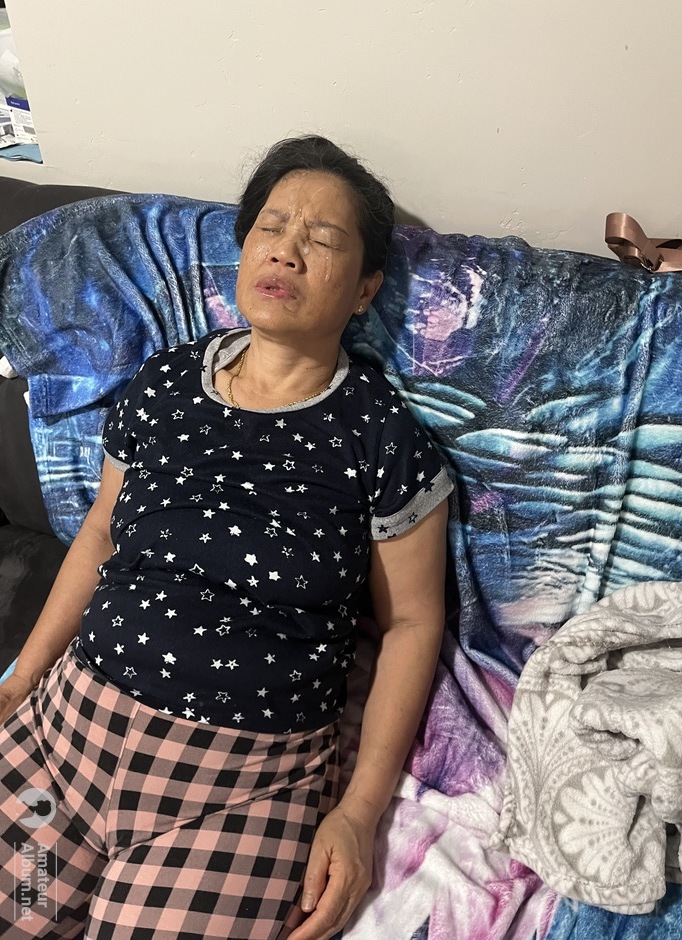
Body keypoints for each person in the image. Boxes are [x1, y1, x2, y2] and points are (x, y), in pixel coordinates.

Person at [0, 135, 452, 940]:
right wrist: (19, 682)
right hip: (65, 738)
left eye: (322, 239)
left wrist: (357, 814)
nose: (286, 250)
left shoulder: (382, 438)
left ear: (364, 289)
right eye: (271, 227)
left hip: (234, 788)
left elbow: (412, 623)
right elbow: (100, 532)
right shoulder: (164, 383)